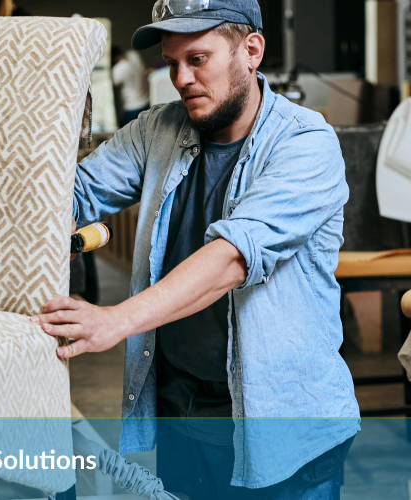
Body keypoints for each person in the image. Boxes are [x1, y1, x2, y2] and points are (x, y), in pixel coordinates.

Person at [31, 0, 359, 498]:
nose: (180, 78)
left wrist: (115, 320)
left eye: (198, 59)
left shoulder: (305, 142)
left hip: (283, 429)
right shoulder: (157, 130)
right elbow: (72, 194)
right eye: (171, 63)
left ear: (251, 50)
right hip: (182, 412)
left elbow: (232, 257)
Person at [111, 45, 151, 127]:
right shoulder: (134, 56)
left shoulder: (119, 68)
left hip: (132, 108)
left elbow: (111, 83)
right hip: (146, 103)